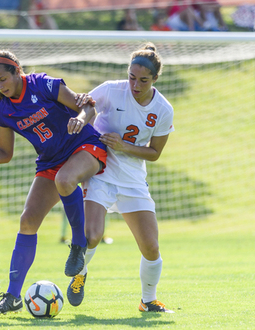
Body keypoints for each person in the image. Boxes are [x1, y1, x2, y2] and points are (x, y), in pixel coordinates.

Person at [0, 50, 107, 315]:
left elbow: (87, 106)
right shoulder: (4, 109)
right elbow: (5, 153)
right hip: (50, 161)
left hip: (84, 146)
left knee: (65, 179)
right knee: (27, 221)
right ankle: (12, 297)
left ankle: (78, 243)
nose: (0, 86)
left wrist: (80, 120)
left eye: (3, 79)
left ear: (17, 71)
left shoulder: (42, 83)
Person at [67, 42, 175, 313]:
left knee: (151, 247)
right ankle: (81, 275)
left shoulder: (163, 109)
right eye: (131, 77)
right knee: (92, 236)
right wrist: (81, 119)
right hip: (100, 172)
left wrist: (124, 146)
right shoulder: (111, 90)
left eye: (143, 80)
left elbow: (154, 153)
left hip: (133, 180)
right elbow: (88, 107)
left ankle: (148, 300)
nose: (135, 85)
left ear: (155, 79)